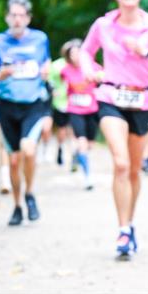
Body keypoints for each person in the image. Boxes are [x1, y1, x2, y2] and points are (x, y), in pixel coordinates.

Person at [79, 0, 148, 257]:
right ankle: (122, 231)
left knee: (134, 170)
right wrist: (89, 70)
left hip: (142, 100)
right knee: (120, 164)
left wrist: (143, 52)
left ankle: (129, 222)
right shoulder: (103, 25)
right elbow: (86, 52)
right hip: (110, 96)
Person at [0, 0, 51, 226]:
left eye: (22, 15)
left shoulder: (40, 39)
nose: (17, 19)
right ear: (7, 17)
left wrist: (45, 71)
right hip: (6, 106)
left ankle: (30, 193)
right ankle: (18, 205)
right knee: (13, 160)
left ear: (28, 18)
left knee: (29, 150)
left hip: (33, 105)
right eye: (13, 15)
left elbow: (46, 62)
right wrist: (0, 74)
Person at [61, 39, 101, 190]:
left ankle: (77, 155)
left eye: (78, 53)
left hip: (92, 110)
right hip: (75, 111)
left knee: (90, 144)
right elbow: (61, 85)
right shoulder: (65, 71)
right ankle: (88, 177)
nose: (76, 56)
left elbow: (103, 81)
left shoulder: (95, 68)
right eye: (72, 53)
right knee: (82, 142)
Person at [48, 47, 72, 167]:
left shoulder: (82, 64)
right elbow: (50, 80)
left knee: (74, 130)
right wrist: (53, 91)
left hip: (77, 103)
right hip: (61, 102)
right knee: (62, 128)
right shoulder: (57, 65)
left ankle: (74, 153)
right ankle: (61, 149)